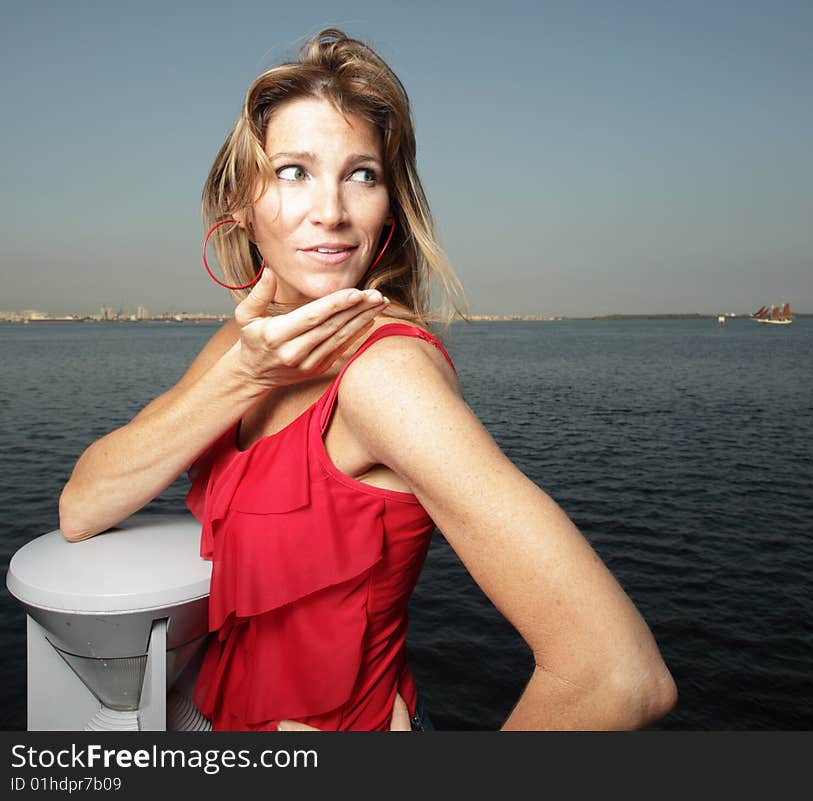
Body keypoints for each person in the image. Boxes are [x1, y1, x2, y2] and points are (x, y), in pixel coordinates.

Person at [58, 28, 677, 731]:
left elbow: (618, 674)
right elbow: (83, 504)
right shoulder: (246, 343)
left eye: (363, 173)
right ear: (242, 205)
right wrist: (244, 374)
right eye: (294, 170)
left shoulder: (385, 374)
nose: (332, 211)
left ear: (388, 210)